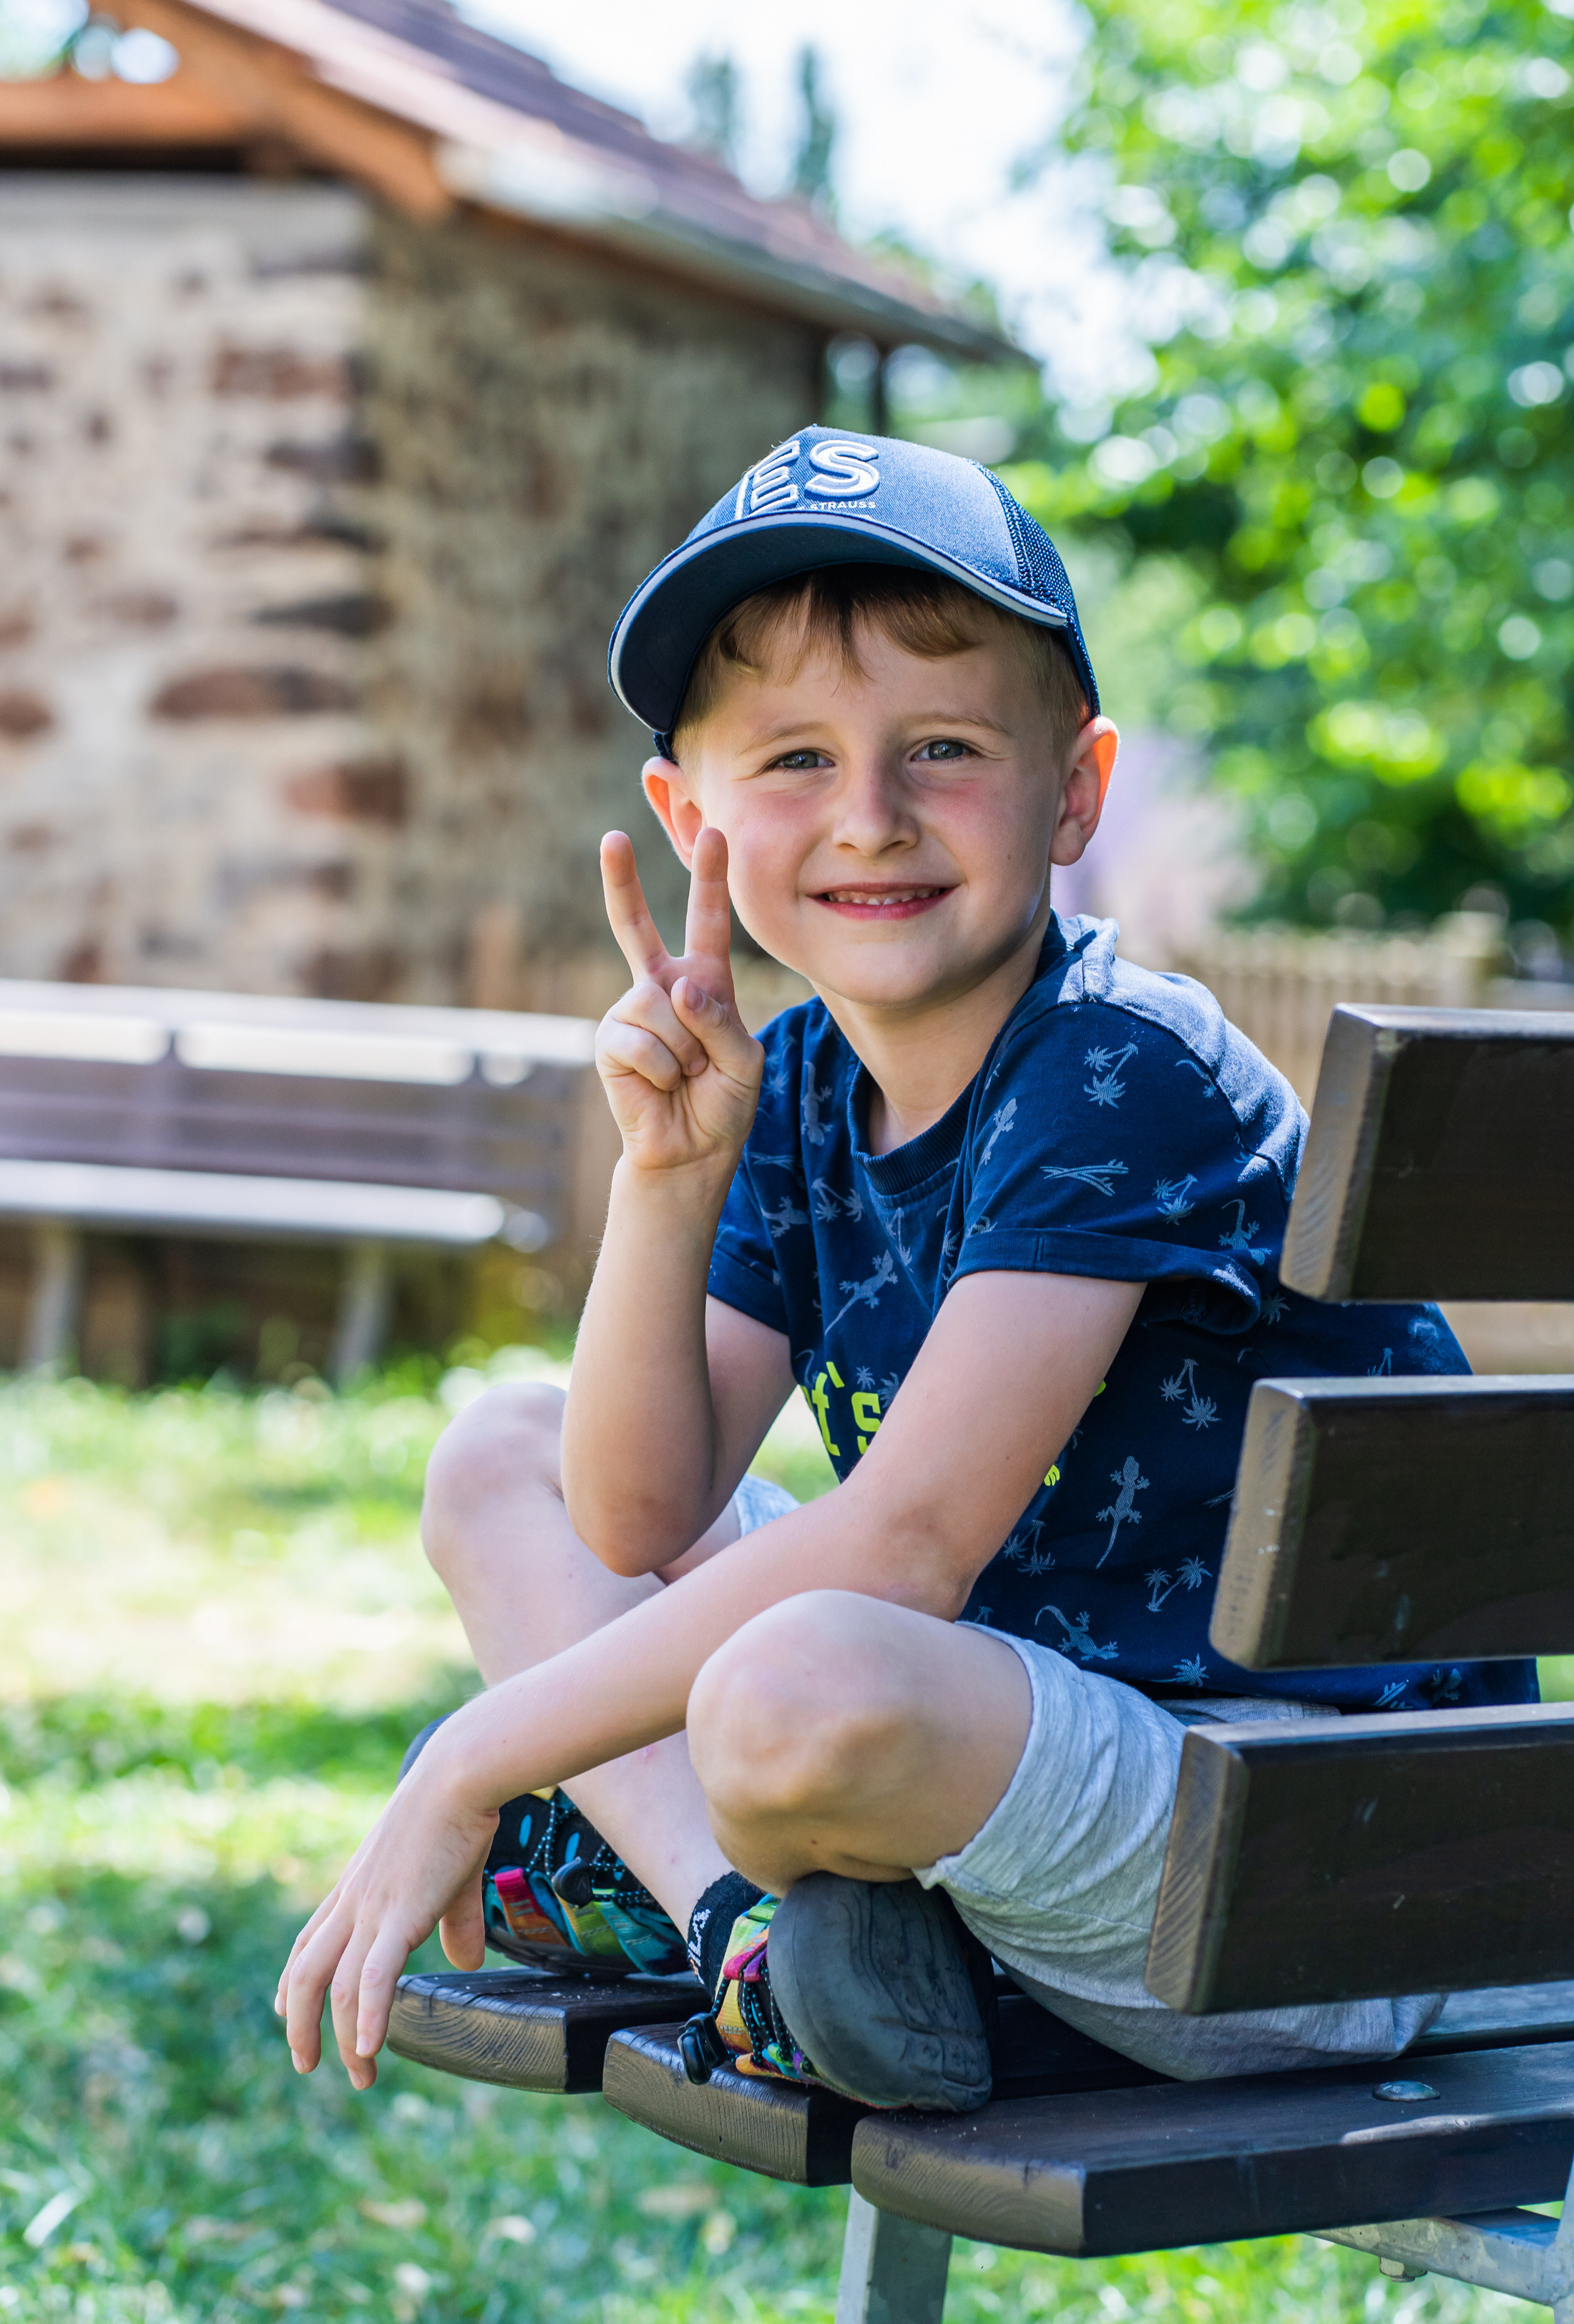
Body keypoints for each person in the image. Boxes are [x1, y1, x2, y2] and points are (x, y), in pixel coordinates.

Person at [278, 430, 1533, 2109]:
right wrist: (668, 1177)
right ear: (685, 816)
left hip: (1314, 1873)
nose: (867, 818)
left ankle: (758, 1919)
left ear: (1071, 787)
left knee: (798, 1685)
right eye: (791, 758)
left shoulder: (1114, 1068)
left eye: (938, 748)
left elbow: (908, 1545)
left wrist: (473, 1758)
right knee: (502, 1449)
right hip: (1040, 1772)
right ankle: (745, 1935)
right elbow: (628, 1522)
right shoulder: (794, 1084)